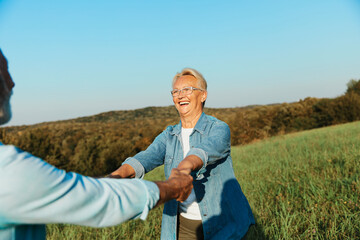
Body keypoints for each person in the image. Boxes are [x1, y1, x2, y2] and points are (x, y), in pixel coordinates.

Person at [0, 49, 193, 240]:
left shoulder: (216, 129)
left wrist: (114, 178)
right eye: (4, 71)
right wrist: (173, 187)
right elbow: (101, 199)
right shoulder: (8, 169)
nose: (12, 82)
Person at [110, 68, 255, 239]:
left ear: (203, 95)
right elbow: (145, 158)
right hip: (184, 225)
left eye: (187, 90)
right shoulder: (169, 135)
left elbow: (202, 152)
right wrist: (114, 178)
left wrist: (182, 169)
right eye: (176, 91)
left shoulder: (219, 128)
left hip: (224, 223)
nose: (180, 95)